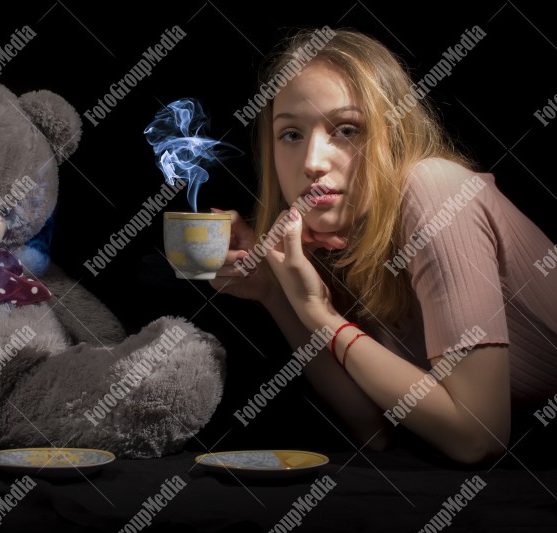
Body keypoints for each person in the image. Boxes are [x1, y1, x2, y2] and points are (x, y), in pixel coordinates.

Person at [211, 27, 557, 464]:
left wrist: (319, 312)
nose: (313, 162)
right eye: (291, 135)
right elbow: (375, 430)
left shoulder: (437, 190)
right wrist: (275, 293)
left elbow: (477, 437)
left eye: (348, 130)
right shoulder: (335, 242)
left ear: (392, 136)